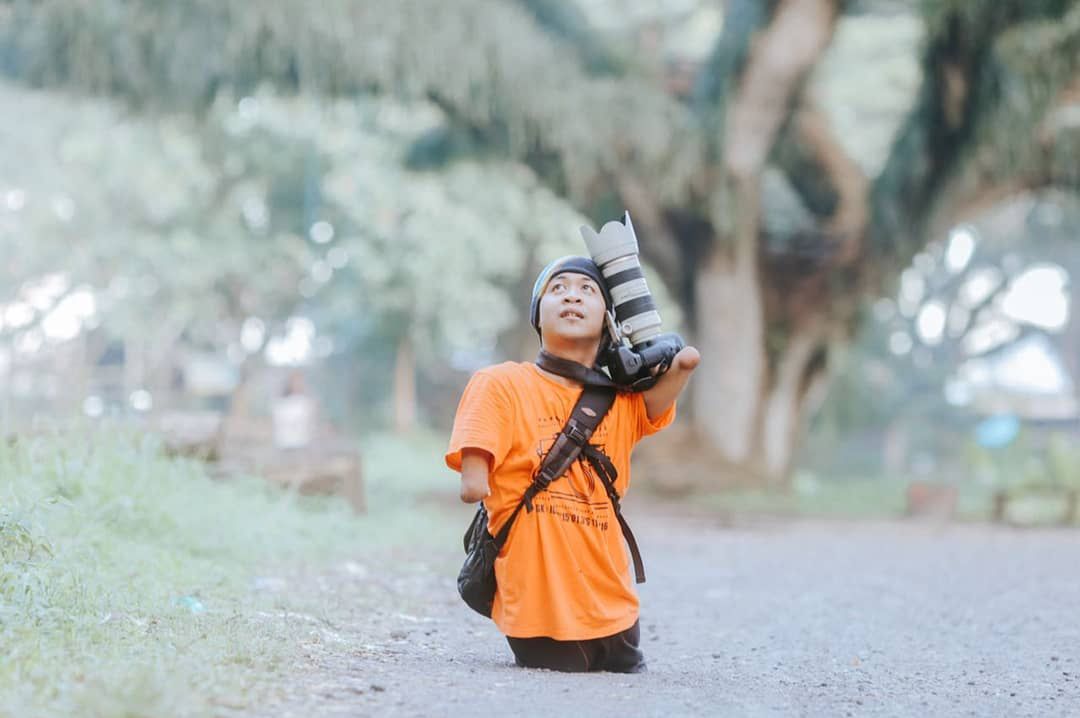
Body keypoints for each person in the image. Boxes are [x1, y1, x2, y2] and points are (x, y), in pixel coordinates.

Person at [445, 255, 700, 673]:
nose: (572, 296)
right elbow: (474, 476)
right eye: (557, 288)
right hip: (539, 609)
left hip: (615, 603)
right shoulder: (501, 384)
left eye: (588, 291)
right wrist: (476, 476)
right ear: (537, 316)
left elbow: (675, 375)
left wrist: (666, 359)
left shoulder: (622, 399)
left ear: (607, 320)